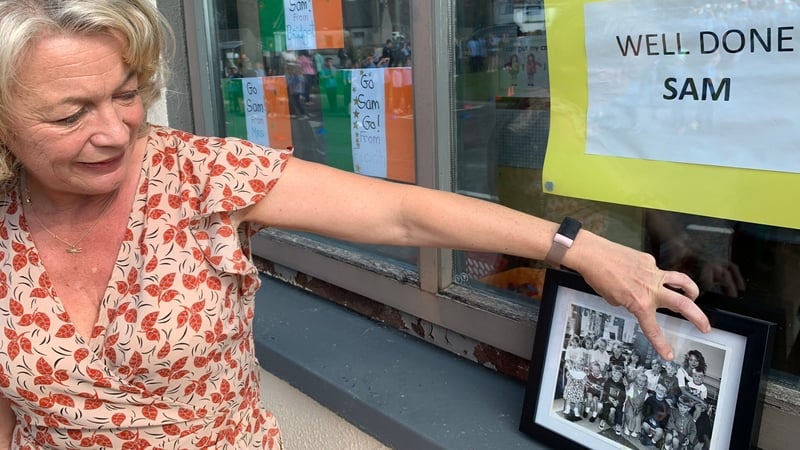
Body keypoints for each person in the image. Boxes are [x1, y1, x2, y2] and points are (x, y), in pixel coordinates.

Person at [0, 1, 710, 449]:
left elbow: (400, 213)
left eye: (126, 96)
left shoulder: (200, 176)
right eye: (69, 114)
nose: (115, 132)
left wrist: (578, 249)